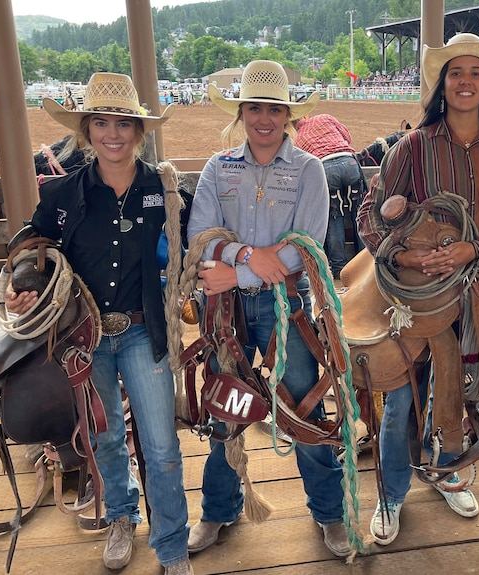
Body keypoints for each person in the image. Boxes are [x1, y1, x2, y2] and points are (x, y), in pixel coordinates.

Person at [4, 72, 194, 575]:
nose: (113, 133)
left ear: (138, 131)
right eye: (102, 123)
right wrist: (22, 280)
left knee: (160, 443)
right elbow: (32, 242)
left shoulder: (163, 188)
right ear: (86, 130)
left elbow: (194, 242)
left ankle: (172, 547)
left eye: (124, 124)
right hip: (83, 337)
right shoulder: (63, 193)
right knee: (104, 436)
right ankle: (120, 514)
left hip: (140, 331)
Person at [357, 33, 479, 545]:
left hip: (475, 280)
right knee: (401, 390)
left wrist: (471, 250)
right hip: (414, 289)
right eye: (456, 72)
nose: (466, 81)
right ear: (442, 83)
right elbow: (372, 213)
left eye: (475, 72)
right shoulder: (411, 148)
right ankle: (391, 493)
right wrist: (404, 254)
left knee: (461, 380)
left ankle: (446, 467)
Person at [186, 60, 351, 558]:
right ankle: (219, 508)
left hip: (286, 307)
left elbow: (306, 245)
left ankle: (329, 514)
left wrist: (236, 273)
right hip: (229, 314)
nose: (264, 118)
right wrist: (245, 256)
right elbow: (201, 237)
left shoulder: (309, 170)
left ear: (287, 116)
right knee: (224, 407)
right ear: (242, 112)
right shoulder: (219, 168)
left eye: (273, 109)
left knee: (303, 406)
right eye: (255, 108)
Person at [294, 113, 366, 278]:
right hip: (349, 162)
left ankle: (339, 267)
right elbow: (347, 137)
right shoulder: (324, 118)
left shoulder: (297, 140)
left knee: (335, 217)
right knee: (359, 213)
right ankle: (364, 262)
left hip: (325, 168)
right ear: (306, 116)